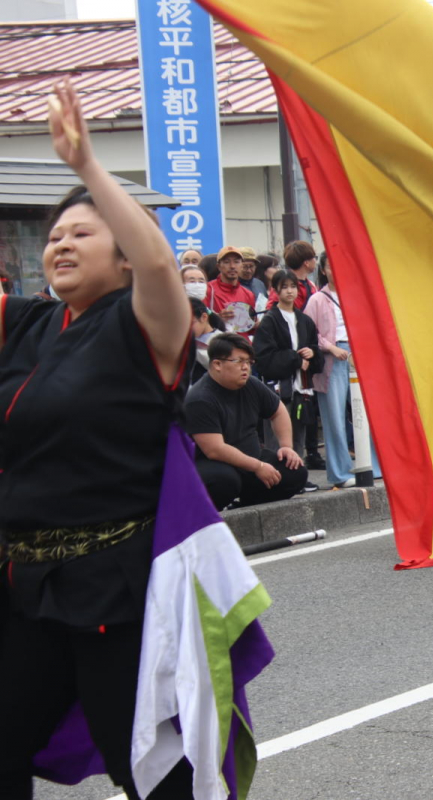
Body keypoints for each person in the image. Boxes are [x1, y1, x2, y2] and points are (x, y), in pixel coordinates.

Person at [0, 79, 195, 799]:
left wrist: (86, 169)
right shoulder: (27, 325)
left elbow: (157, 265)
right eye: (53, 237)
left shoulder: (145, 328)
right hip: (25, 585)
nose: (60, 245)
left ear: (120, 258)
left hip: (114, 589)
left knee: (142, 762)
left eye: (82, 233)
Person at [186, 332, 310, 508]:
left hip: (251, 457)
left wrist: (286, 447)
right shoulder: (200, 398)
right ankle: (213, 515)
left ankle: (249, 504)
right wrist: (258, 466)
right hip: (213, 465)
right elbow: (215, 449)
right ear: (217, 364)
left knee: (295, 472)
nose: (245, 367)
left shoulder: (251, 384)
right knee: (225, 481)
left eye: (248, 362)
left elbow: (278, 410)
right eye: (239, 361)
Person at [305, 261, 380, 488]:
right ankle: (340, 472)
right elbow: (309, 332)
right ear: (323, 270)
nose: (335, 270)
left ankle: (374, 466)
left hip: (358, 356)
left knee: (367, 413)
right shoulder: (317, 299)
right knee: (334, 417)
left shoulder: (355, 296)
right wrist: (331, 347)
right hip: (332, 358)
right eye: (330, 266)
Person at [254, 270, 324, 491]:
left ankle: (298, 477)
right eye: (284, 287)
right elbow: (264, 359)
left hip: (302, 387)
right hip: (278, 388)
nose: (290, 291)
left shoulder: (305, 320)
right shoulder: (270, 320)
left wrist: (312, 355)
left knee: (299, 434)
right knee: (276, 437)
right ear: (275, 290)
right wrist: (295, 358)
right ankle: (277, 479)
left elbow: (315, 351)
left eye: (293, 286)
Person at [205, 246, 256, 339]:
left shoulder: (248, 294)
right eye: (226, 262)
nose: (232, 266)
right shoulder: (208, 290)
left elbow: (250, 329)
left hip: (243, 346)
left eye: (236, 262)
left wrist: (256, 324)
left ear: (241, 265)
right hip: (219, 346)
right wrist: (217, 319)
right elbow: (200, 321)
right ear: (218, 266)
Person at [186, 296, 224, 388]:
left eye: (190, 323)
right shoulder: (184, 340)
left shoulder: (222, 339)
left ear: (204, 317)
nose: (186, 328)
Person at [269, 240, 319, 310]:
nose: (316, 261)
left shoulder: (310, 284)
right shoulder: (282, 283)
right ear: (306, 263)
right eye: (315, 258)